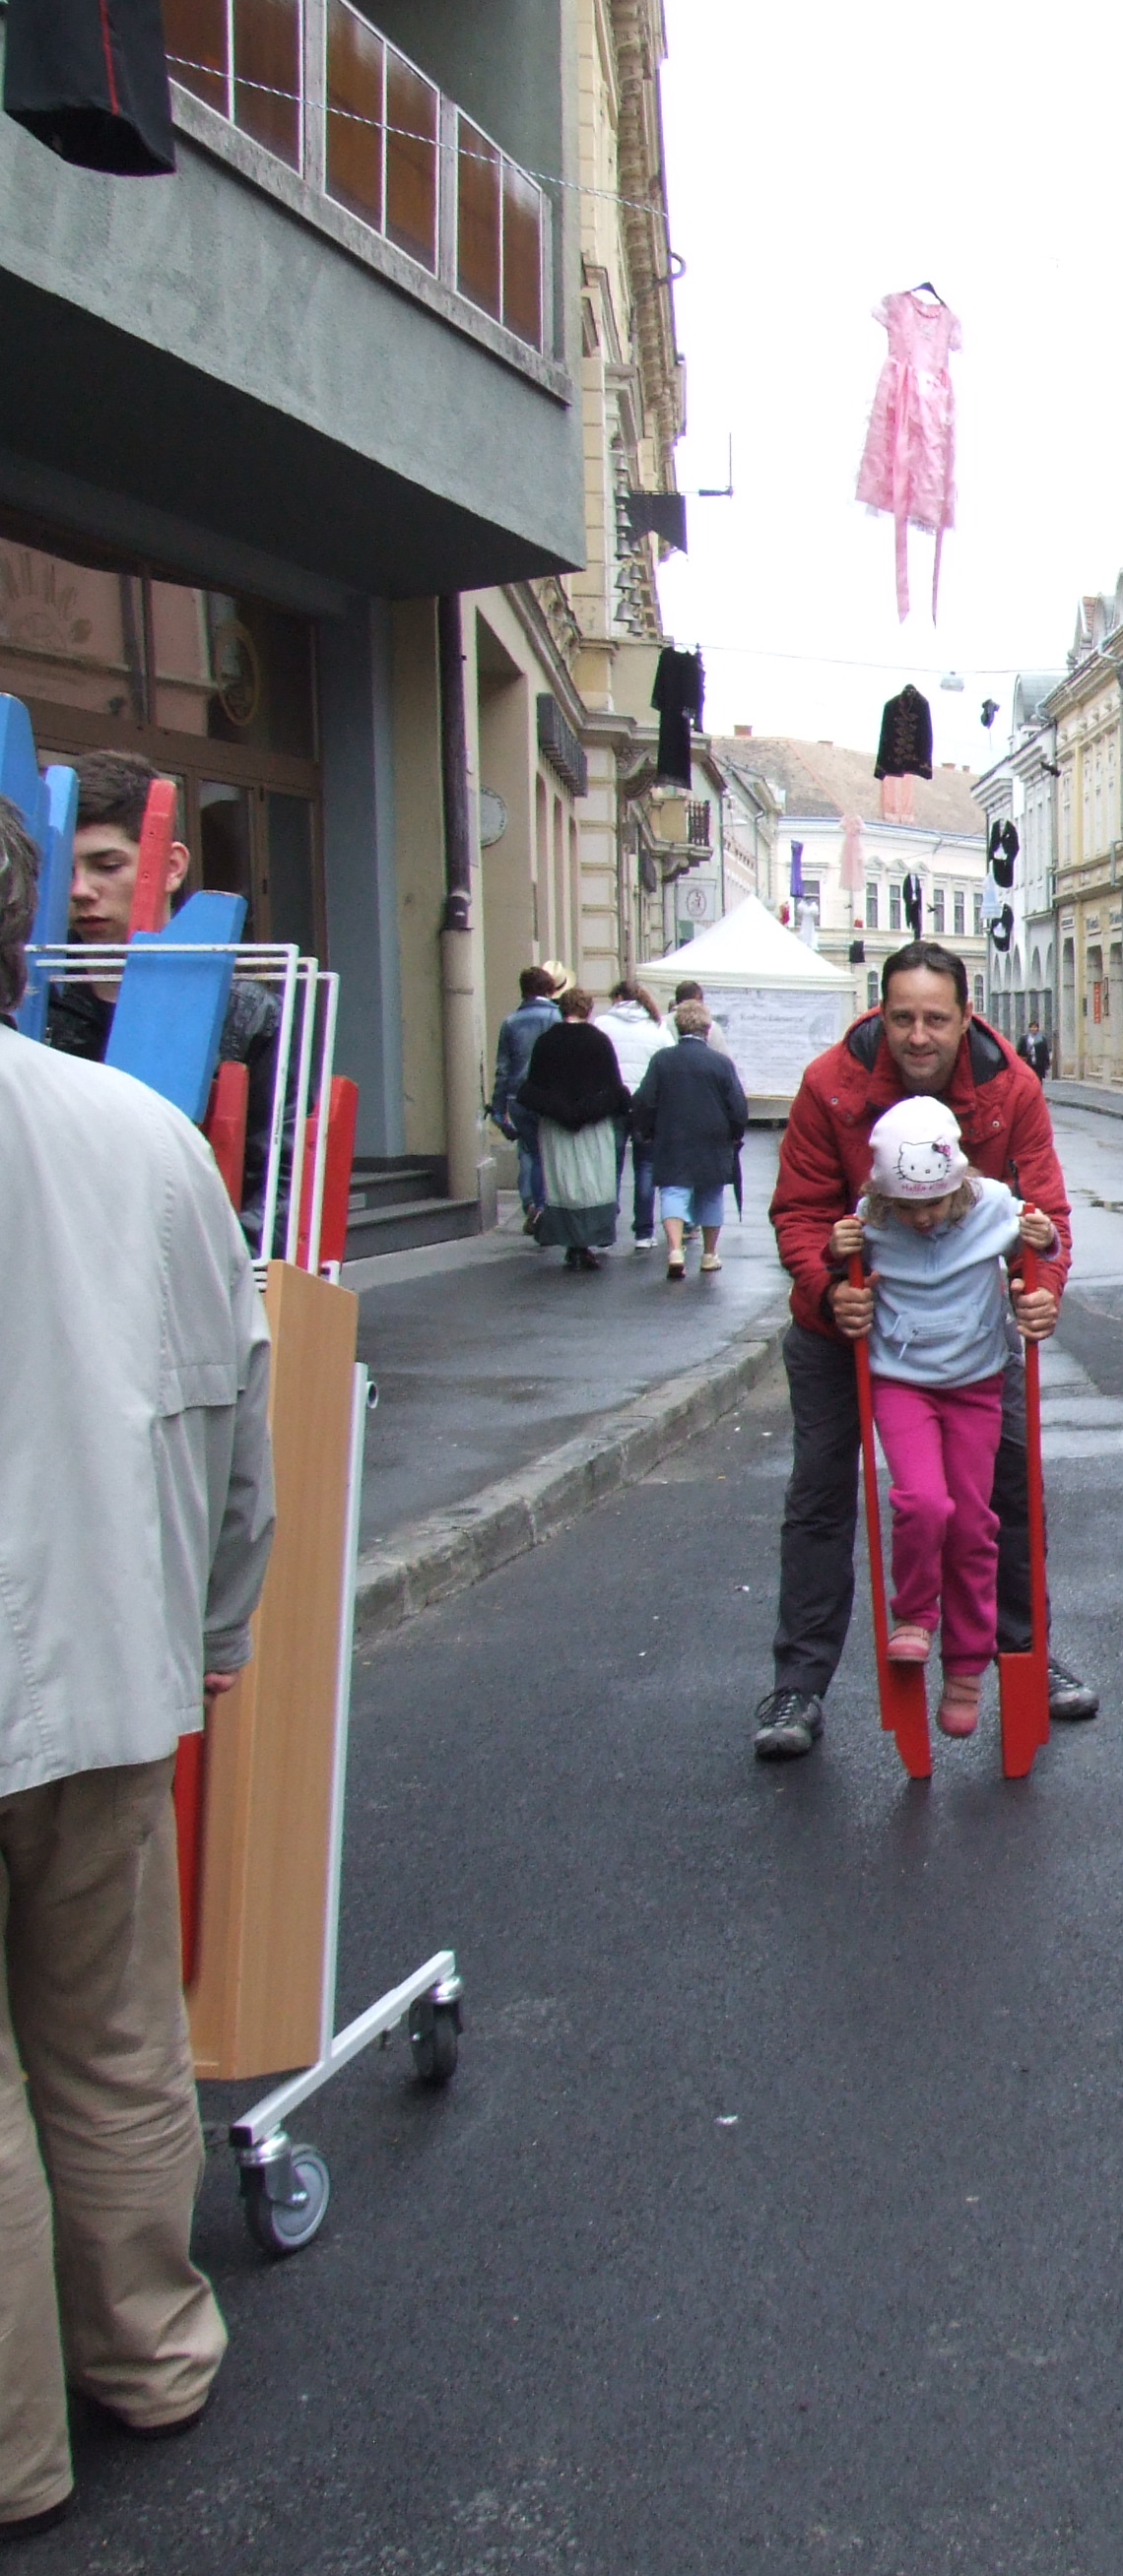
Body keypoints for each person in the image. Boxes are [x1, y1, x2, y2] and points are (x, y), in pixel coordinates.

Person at [0, 799, 275, 2544]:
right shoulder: (140, 1136)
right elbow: (237, 1414)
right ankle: (151, 2352)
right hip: (102, 1656)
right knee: (111, 2030)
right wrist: (217, 1626)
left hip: (79, 1654)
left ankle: (14, 2449)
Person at [755, 942, 1094, 1761]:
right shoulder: (830, 1085)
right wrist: (827, 1288)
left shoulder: (1010, 1087)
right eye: (902, 1017)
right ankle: (800, 1682)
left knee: (1007, 1491)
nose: (917, 1035)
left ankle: (1023, 1652)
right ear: (880, 1012)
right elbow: (799, 1210)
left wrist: (1040, 1288)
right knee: (822, 1493)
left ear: (965, 1017)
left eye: (936, 1019)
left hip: (968, 1334)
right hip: (845, 1322)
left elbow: (1043, 1213)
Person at [831, 1097, 1038, 1741]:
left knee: (974, 1524)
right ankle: (915, 1615)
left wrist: (1044, 1241)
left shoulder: (993, 1206)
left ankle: (967, 1667)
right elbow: (836, 1262)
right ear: (882, 1195)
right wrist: (835, 1252)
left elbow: (1044, 1239)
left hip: (976, 1383)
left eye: (935, 1204)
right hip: (903, 1383)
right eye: (906, 1207)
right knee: (924, 1504)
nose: (921, 1219)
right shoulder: (872, 1220)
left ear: (959, 1184)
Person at [43, 750, 282, 1234]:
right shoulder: (32, 998)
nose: (80, 890)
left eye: (107, 866)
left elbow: (282, 1185)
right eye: (63, 871)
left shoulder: (249, 1012)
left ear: (171, 867)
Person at [514, 989, 631, 1270]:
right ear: (588, 1010)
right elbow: (612, 1087)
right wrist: (589, 1110)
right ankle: (586, 1241)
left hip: (555, 1125)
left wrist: (561, 1110)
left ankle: (570, 1242)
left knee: (562, 1182)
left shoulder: (546, 1042)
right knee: (592, 1181)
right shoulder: (599, 1041)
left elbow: (534, 1087)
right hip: (593, 1125)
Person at [632, 998, 747, 1279]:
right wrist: (735, 1134)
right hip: (714, 1137)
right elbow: (737, 1105)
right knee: (711, 1193)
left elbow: (645, 1100)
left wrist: (646, 1131)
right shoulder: (721, 1063)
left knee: (673, 1190)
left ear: (678, 1026)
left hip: (672, 1134)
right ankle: (709, 1254)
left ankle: (675, 1250)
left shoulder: (662, 1060)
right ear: (707, 1029)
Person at [597, 980, 673, 1250]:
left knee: (611, 1166)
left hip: (612, 1103)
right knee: (646, 1167)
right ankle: (644, 1232)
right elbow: (668, 1062)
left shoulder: (602, 1025)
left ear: (617, 998)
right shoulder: (657, 1027)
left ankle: (605, 1227)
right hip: (646, 1105)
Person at [492, 961, 564, 1225]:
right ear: (549, 989)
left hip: (518, 1097)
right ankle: (544, 1205)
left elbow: (503, 1069)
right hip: (548, 1096)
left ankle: (530, 1203)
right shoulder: (556, 1018)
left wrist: (498, 1108)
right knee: (548, 1153)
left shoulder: (510, 1022)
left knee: (528, 1151)